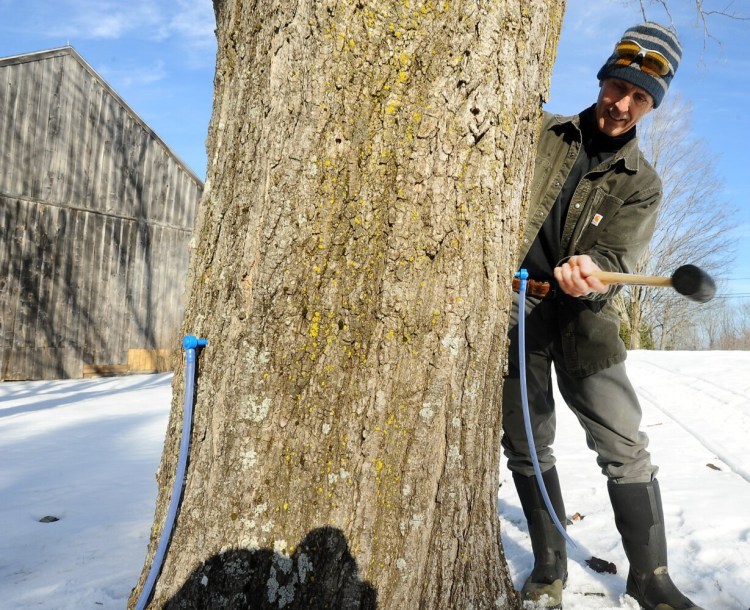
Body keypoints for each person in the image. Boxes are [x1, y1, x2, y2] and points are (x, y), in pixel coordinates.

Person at [502, 22, 704, 610]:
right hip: (517, 310)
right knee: (527, 444)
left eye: (640, 98)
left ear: (651, 106)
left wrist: (591, 271)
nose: (623, 105)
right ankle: (548, 565)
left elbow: (620, 256)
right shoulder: (541, 134)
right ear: (602, 80)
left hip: (588, 320)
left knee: (624, 445)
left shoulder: (644, 182)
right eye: (618, 87)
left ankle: (651, 578)